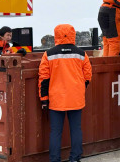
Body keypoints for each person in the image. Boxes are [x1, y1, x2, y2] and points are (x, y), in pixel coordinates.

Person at [38, 24, 93, 162]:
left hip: (56, 99)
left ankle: (54, 159)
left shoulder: (48, 54)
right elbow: (88, 76)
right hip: (75, 98)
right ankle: (75, 158)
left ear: (56, 35)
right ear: (72, 35)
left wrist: (44, 99)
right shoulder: (81, 54)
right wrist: (80, 88)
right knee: (76, 130)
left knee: (56, 132)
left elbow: (43, 78)